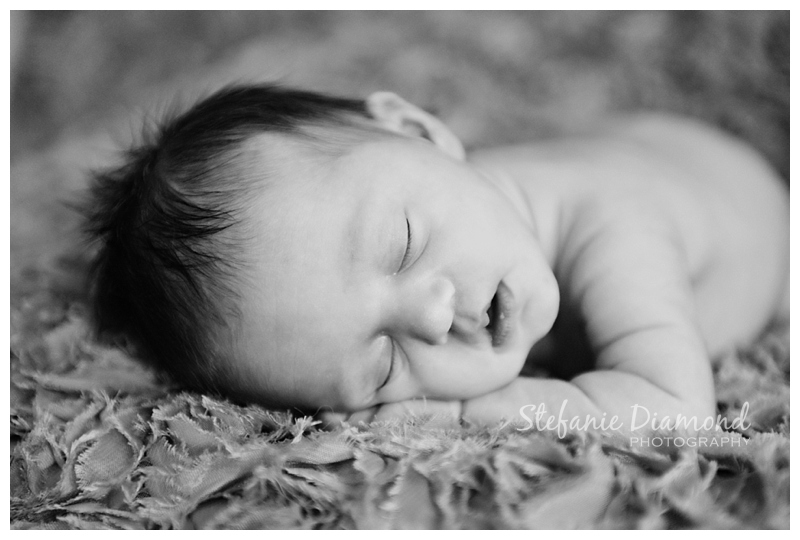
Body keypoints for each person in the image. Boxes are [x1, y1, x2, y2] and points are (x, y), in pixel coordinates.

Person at [85, 84, 788, 432]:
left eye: (404, 246)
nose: (430, 318)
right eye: (384, 368)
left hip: (756, 207)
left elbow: (676, 412)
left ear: (420, 130)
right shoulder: (455, 211)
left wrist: (472, 412)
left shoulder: (614, 224)